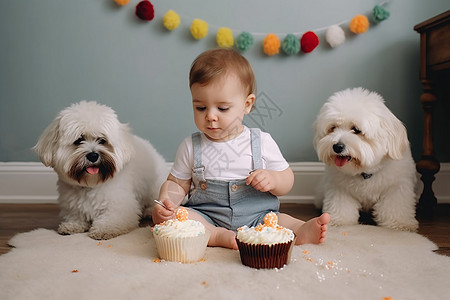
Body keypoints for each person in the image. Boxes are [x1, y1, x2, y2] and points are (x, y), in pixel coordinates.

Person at [152, 48, 330, 249]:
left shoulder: (261, 141)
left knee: (279, 220)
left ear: (247, 104)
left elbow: (287, 179)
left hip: (258, 217)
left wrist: (273, 179)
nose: (210, 116)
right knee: (180, 219)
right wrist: (167, 202)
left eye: (222, 108)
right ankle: (217, 235)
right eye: (201, 108)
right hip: (208, 216)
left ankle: (301, 229)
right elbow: (177, 183)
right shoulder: (190, 146)